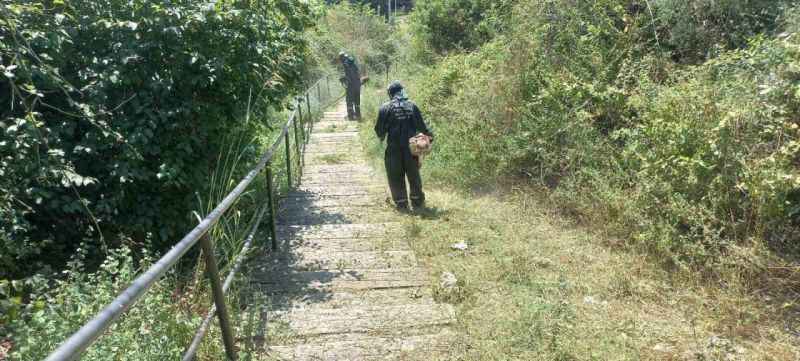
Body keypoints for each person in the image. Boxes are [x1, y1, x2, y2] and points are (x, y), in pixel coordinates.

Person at [375, 81, 434, 211]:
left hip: (393, 149)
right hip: (411, 149)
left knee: (395, 176)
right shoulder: (412, 106)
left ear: (390, 93)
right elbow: (424, 128)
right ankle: (417, 202)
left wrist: (383, 134)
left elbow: (379, 131)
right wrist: (429, 139)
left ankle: (401, 203)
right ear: (402, 91)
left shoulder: (385, 107)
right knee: (414, 175)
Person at [338, 51, 361, 120]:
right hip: (357, 85)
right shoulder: (353, 63)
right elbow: (356, 74)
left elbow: (349, 75)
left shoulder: (345, 64)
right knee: (357, 101)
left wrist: (342, 79)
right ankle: (358, 115)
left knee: (349, 101)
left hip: (351, 87)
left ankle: (350, 116)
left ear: (342, 57)